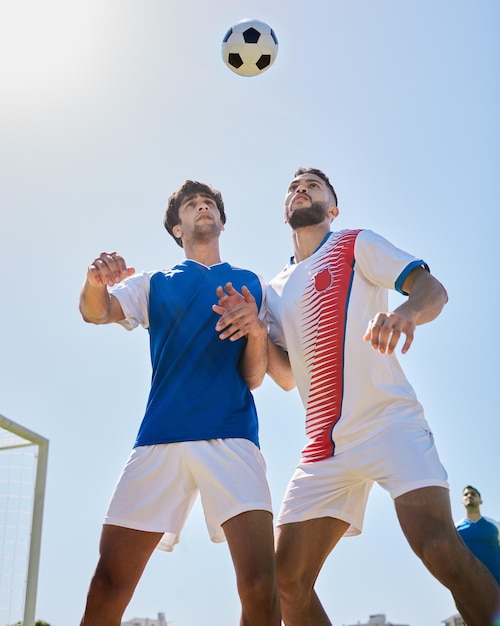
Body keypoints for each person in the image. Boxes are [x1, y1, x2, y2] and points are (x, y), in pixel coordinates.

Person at [263, 167, 500, 626]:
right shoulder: (274, 290)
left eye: (314, 185)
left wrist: (406, 314)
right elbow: (287, 376)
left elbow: (434, 290)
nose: (301, 189)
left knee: (438, 548)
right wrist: (254, 331)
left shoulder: (354, 243)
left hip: (390, 424)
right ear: (285, 210)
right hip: (324, 449)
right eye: (294, 187)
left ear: (333, 208)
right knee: (285, 582)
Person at [78, 180, 280, 626]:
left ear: (222, 221)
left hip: (233, 439)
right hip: (159, 440)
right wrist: (94, 282)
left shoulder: (255, 285)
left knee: (262, 590)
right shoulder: (152, 284)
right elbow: (96, 312)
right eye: (191, 205)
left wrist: (257, 332)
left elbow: (255, 376)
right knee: (109, 584)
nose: (202, 207)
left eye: (209, 203)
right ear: (177, 228)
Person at [456, 485, 500, 585]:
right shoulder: (455, 529)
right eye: (466, 494)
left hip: (497, 583)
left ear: (481, 501)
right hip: (467, 585)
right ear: (462, 502)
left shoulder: (495, 525)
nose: (469, 496)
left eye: (473, 494)